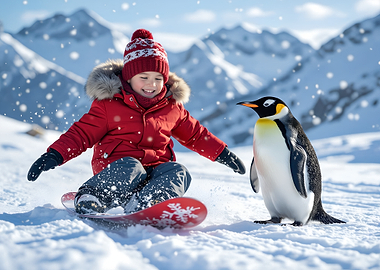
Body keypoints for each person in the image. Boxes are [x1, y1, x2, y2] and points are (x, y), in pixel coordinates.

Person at [27, 29, 245, 215]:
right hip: (117, 172)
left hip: (154, 174)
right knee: (132, 166)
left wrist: (222, 153)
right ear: (128, 77)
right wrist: (54, 155)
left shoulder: (172, 107)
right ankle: (91, 196)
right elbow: (81, 134)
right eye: (144, 77)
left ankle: (148, 203)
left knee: (179, 172)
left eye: (158, 78)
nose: (151, 84)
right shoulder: (109, 104)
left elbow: (196, 135)